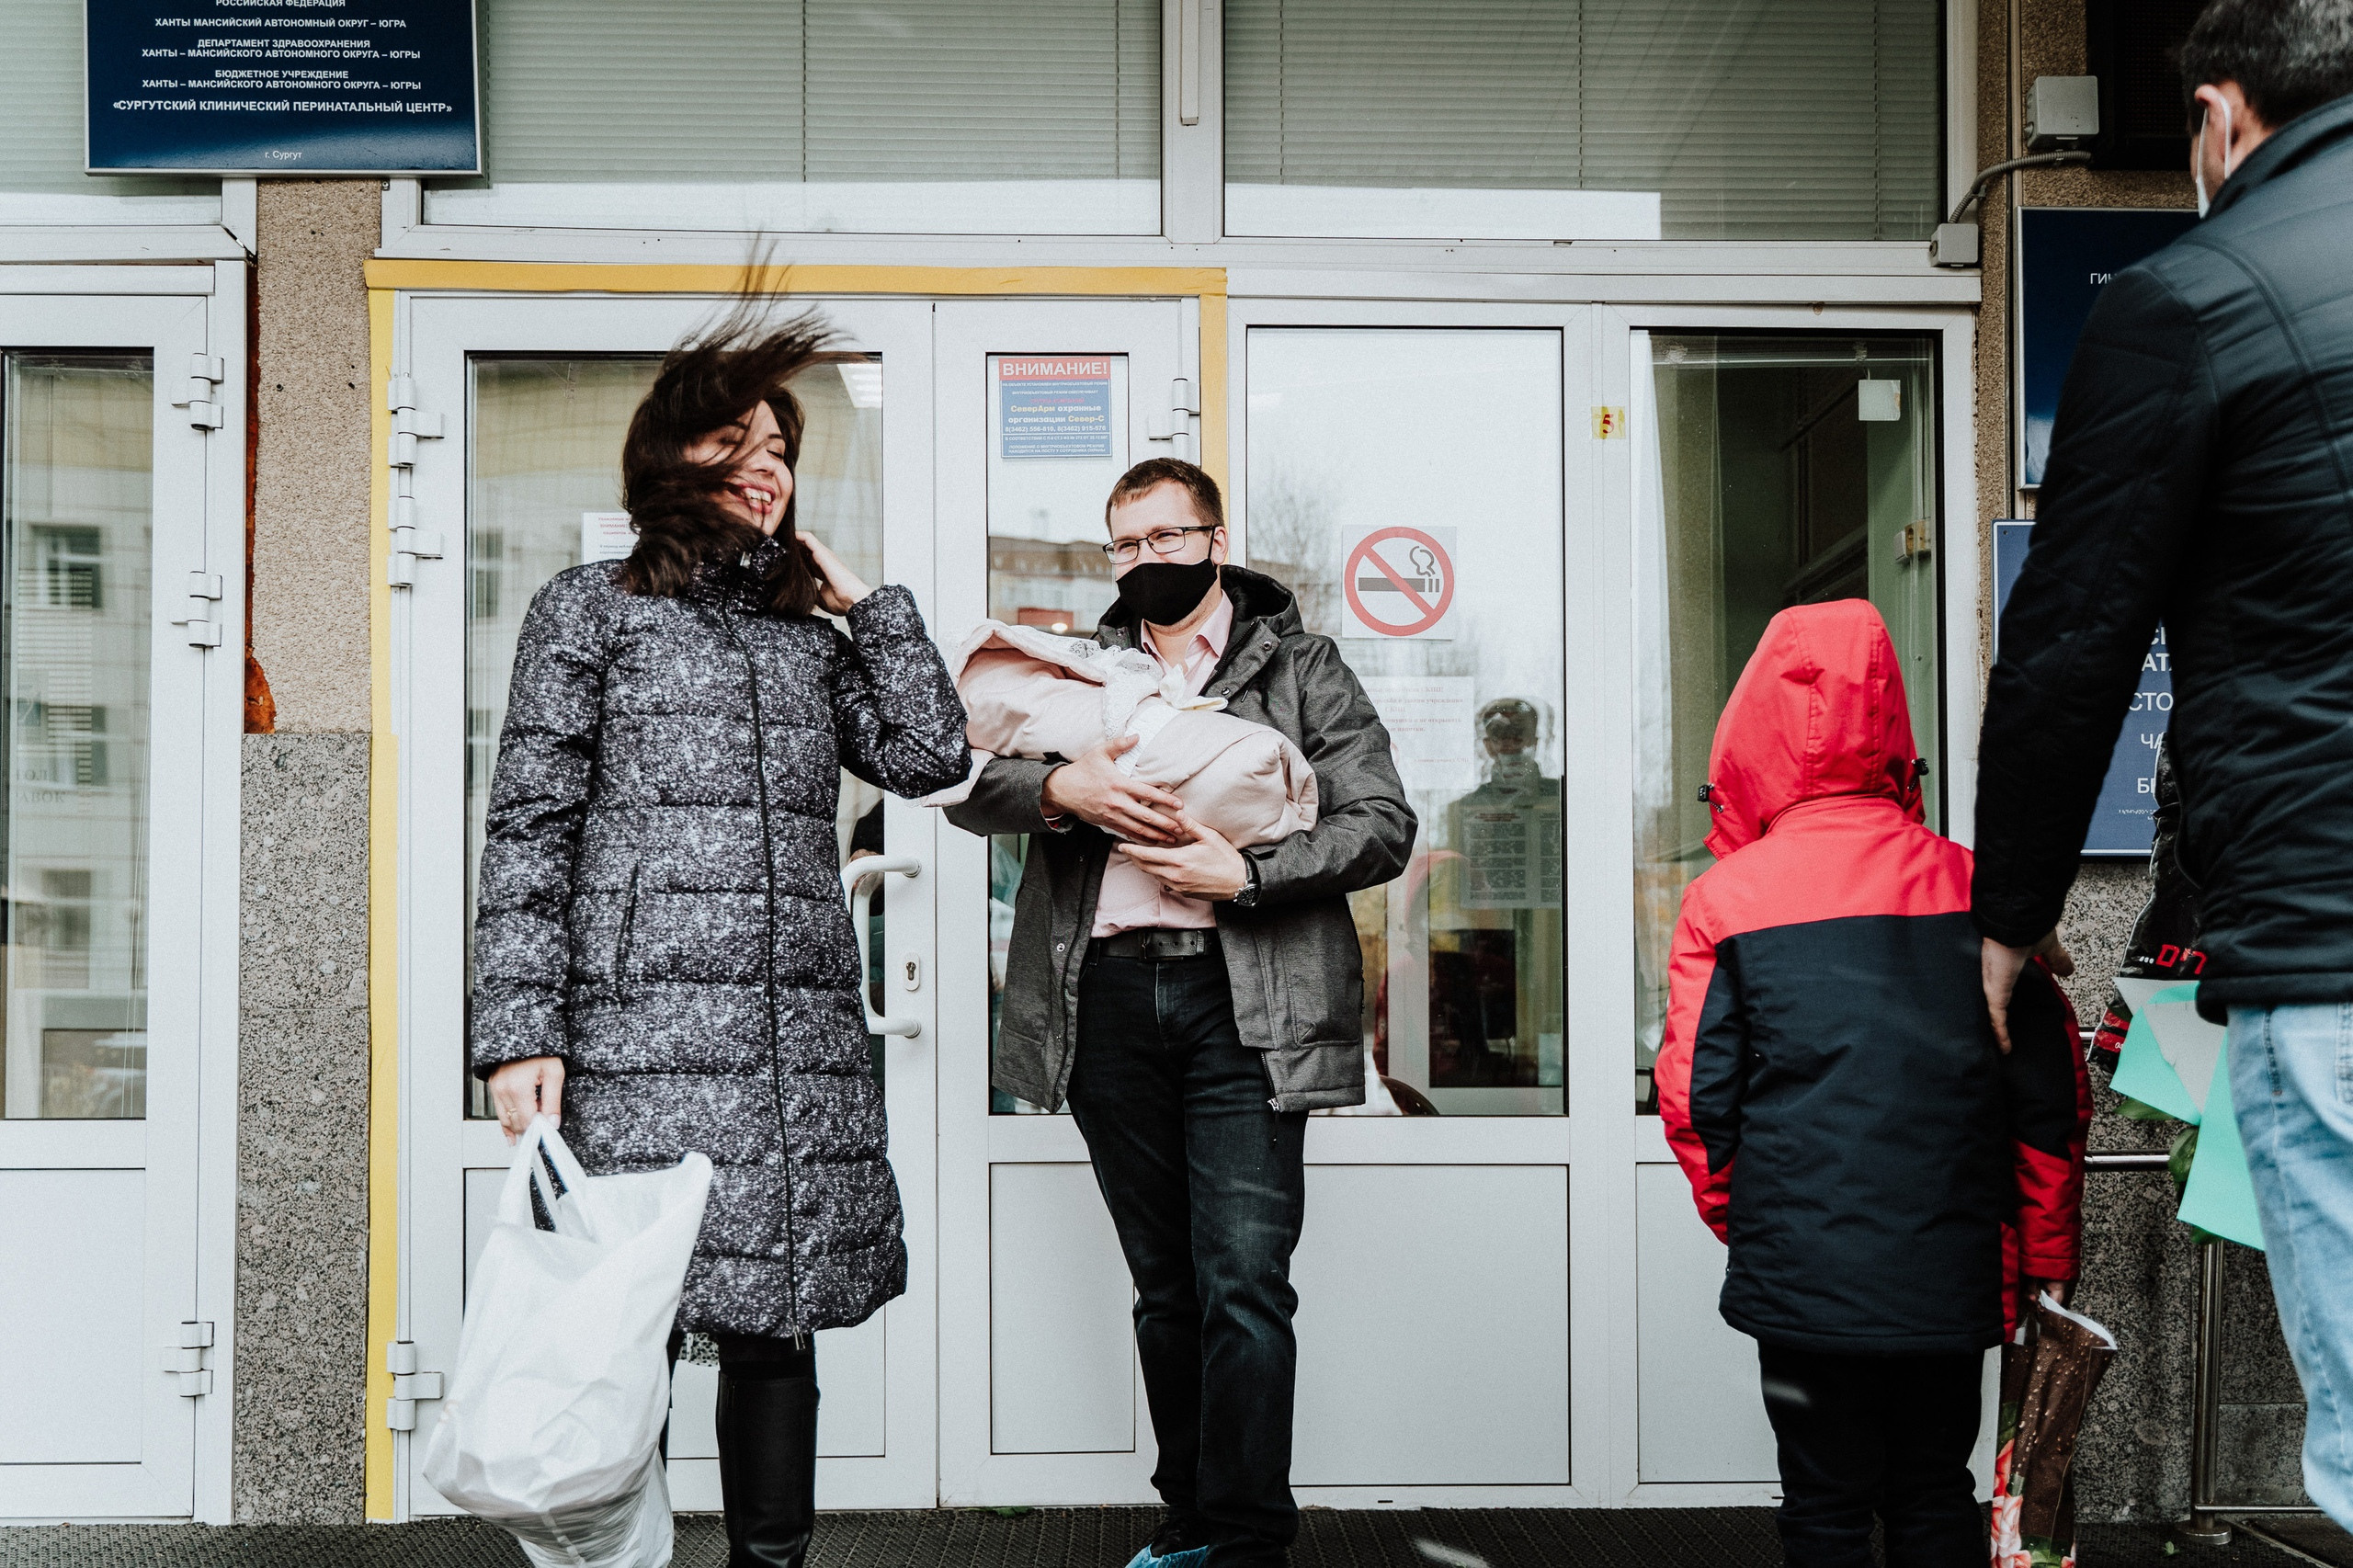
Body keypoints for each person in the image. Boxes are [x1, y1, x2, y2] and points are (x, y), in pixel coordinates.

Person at [470, 306, 970, 1568]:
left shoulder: (809, 640)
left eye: (782, 449)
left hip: (788, 1038)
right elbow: (529, 824)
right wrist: (517, 1032)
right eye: (734, 442)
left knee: (774, 1321)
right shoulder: (588, 609)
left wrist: (873, 608)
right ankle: (614, 1554)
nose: (766, 468)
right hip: (631, 1034)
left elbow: (930, 753)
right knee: (624, 1317)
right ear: (667, 458)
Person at [1971, 0, 2353, 1528]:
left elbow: (2072, 649)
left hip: (2330, 938)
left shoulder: (2194, 295)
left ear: (2219, 115)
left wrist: (2010, 920)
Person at [945, 458, 1414, 1568]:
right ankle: (1189, 1518)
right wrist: (1059, 788)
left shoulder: (1300, 665)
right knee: (1166, 1283)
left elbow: (1381, 822)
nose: (1145, 559)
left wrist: (1243, 874)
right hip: (1104, 997)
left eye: (1167, 537)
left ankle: (1245, 1537)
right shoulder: (1076, 668)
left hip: (1239, 998)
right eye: (1126, 543)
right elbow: (962, 785)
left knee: (1242, 1277)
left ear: (1214, 540)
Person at [1658, 601, 2088, 1568]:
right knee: (1935, 1487)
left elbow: (1695, 1101)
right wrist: (2046, 1248)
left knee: (1823, 1501)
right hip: (1951, 1261)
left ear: (1750, 740)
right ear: (1895, 730)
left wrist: (1757, 1221)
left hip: (1804, 1265)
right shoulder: (1980, 889)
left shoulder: (1725, 899)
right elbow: (2047, 1102)